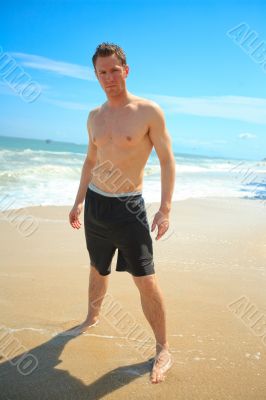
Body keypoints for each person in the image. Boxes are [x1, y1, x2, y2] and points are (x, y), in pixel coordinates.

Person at [69, 42, 176, 384]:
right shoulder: (94, 117)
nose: (109, 78)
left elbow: (166, 160)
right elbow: (90, 161)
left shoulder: (148, 112)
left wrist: (165, 209)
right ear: (95, 75)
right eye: (102, 72)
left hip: (130, 207)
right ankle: (91, 317)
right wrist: (78, 200)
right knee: (97, 268)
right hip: (97, 205)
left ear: (126, 70)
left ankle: (163, 348)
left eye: (114, 70)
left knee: (145, 279)